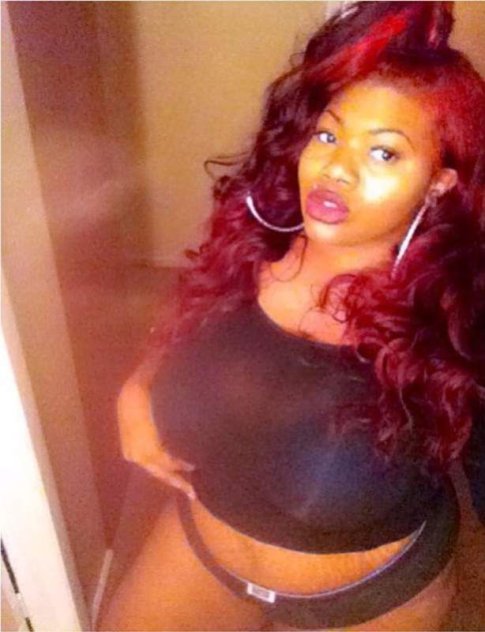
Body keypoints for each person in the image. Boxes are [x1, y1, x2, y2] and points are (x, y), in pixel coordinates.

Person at [99, 2, 485, 630]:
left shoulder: (459, 311)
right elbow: (188, 312)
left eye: (384, 154)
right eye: (328, 136)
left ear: (438, 183)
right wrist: (139, 384)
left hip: (371, 600)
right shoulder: (255, 240)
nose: (336, 169)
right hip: (204, 556)